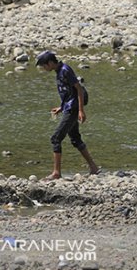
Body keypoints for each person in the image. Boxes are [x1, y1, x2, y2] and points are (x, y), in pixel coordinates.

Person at [36, 50, 99, 180]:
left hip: (73, 109)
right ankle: (93, 167)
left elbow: (79, 90)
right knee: (75, 138)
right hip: (69, 107)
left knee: (56, 138)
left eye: (44, 65)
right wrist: (61, 107)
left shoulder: (65, 70)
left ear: (50, 63)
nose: (43, 68)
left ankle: (56, 173)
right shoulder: (58, 72)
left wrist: (81, 110)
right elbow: (69, 93)